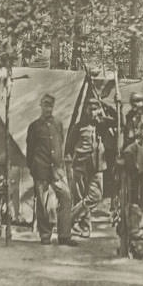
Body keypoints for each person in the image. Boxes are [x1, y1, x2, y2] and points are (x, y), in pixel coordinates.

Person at [26, 93, 76, 245]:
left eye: (51, 106)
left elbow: (59, 144)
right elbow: (30, 150)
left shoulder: (58, 124)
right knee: (42, 204)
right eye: (45, 105)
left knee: (66, 197)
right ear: (41, 106)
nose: (48, 108)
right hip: (40, 168)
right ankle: (45, 235)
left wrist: (59, 164)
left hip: (57, 170)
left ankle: (64, 235)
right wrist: (33, 168)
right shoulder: (34, 126)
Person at [68, 96, 110, 238]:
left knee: (95, 196)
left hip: (97, 165)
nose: (92, 112)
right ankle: (84, 228)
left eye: (95, 109)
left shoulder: (102, 125)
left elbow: (119, 122)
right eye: (90, 109)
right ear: (85, 110)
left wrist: (108, 109)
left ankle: (68, 219)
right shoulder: (78, 127)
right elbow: (69, 146)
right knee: (80, 197)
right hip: (80, 165)